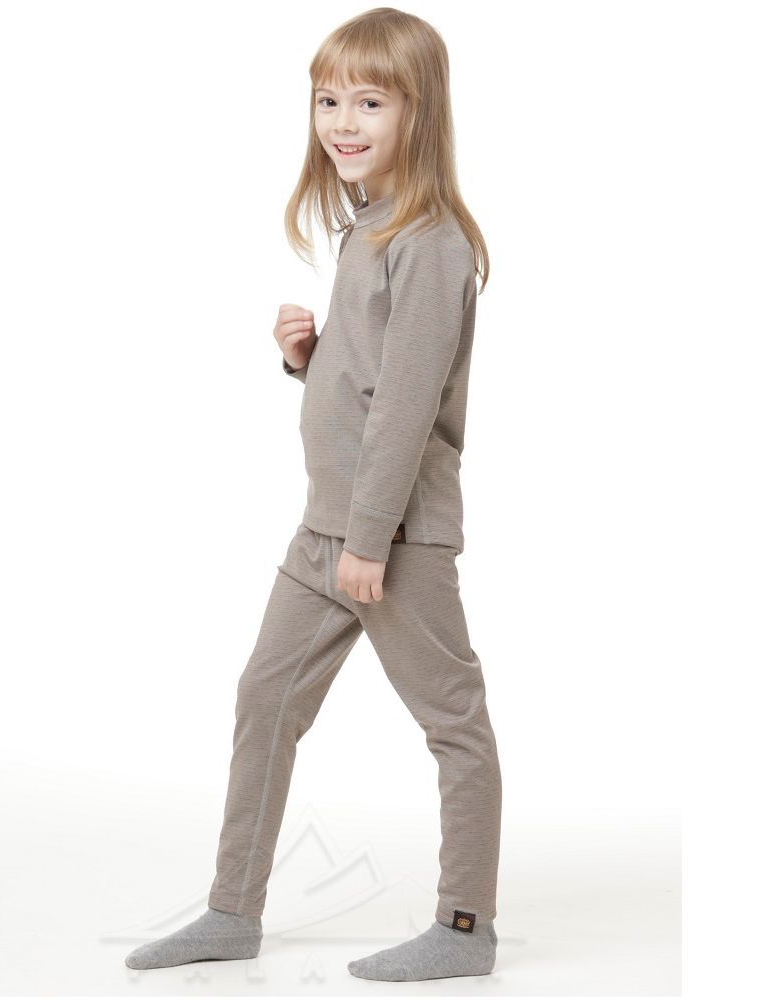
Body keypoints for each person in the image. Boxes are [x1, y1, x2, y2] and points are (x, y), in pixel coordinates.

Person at [125, 7, 500, 983]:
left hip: (392, 534)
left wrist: (370, 539)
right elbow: (372, 380)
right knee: (266, 696)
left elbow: (408, 409)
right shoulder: (366, 226)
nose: (342, 121)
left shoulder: (433, 243)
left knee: (452, 721)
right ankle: (231, 910)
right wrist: (310, 358)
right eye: (328, 100)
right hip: (327, 526)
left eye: (369, 102)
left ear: (420, 112)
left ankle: (465, 927)